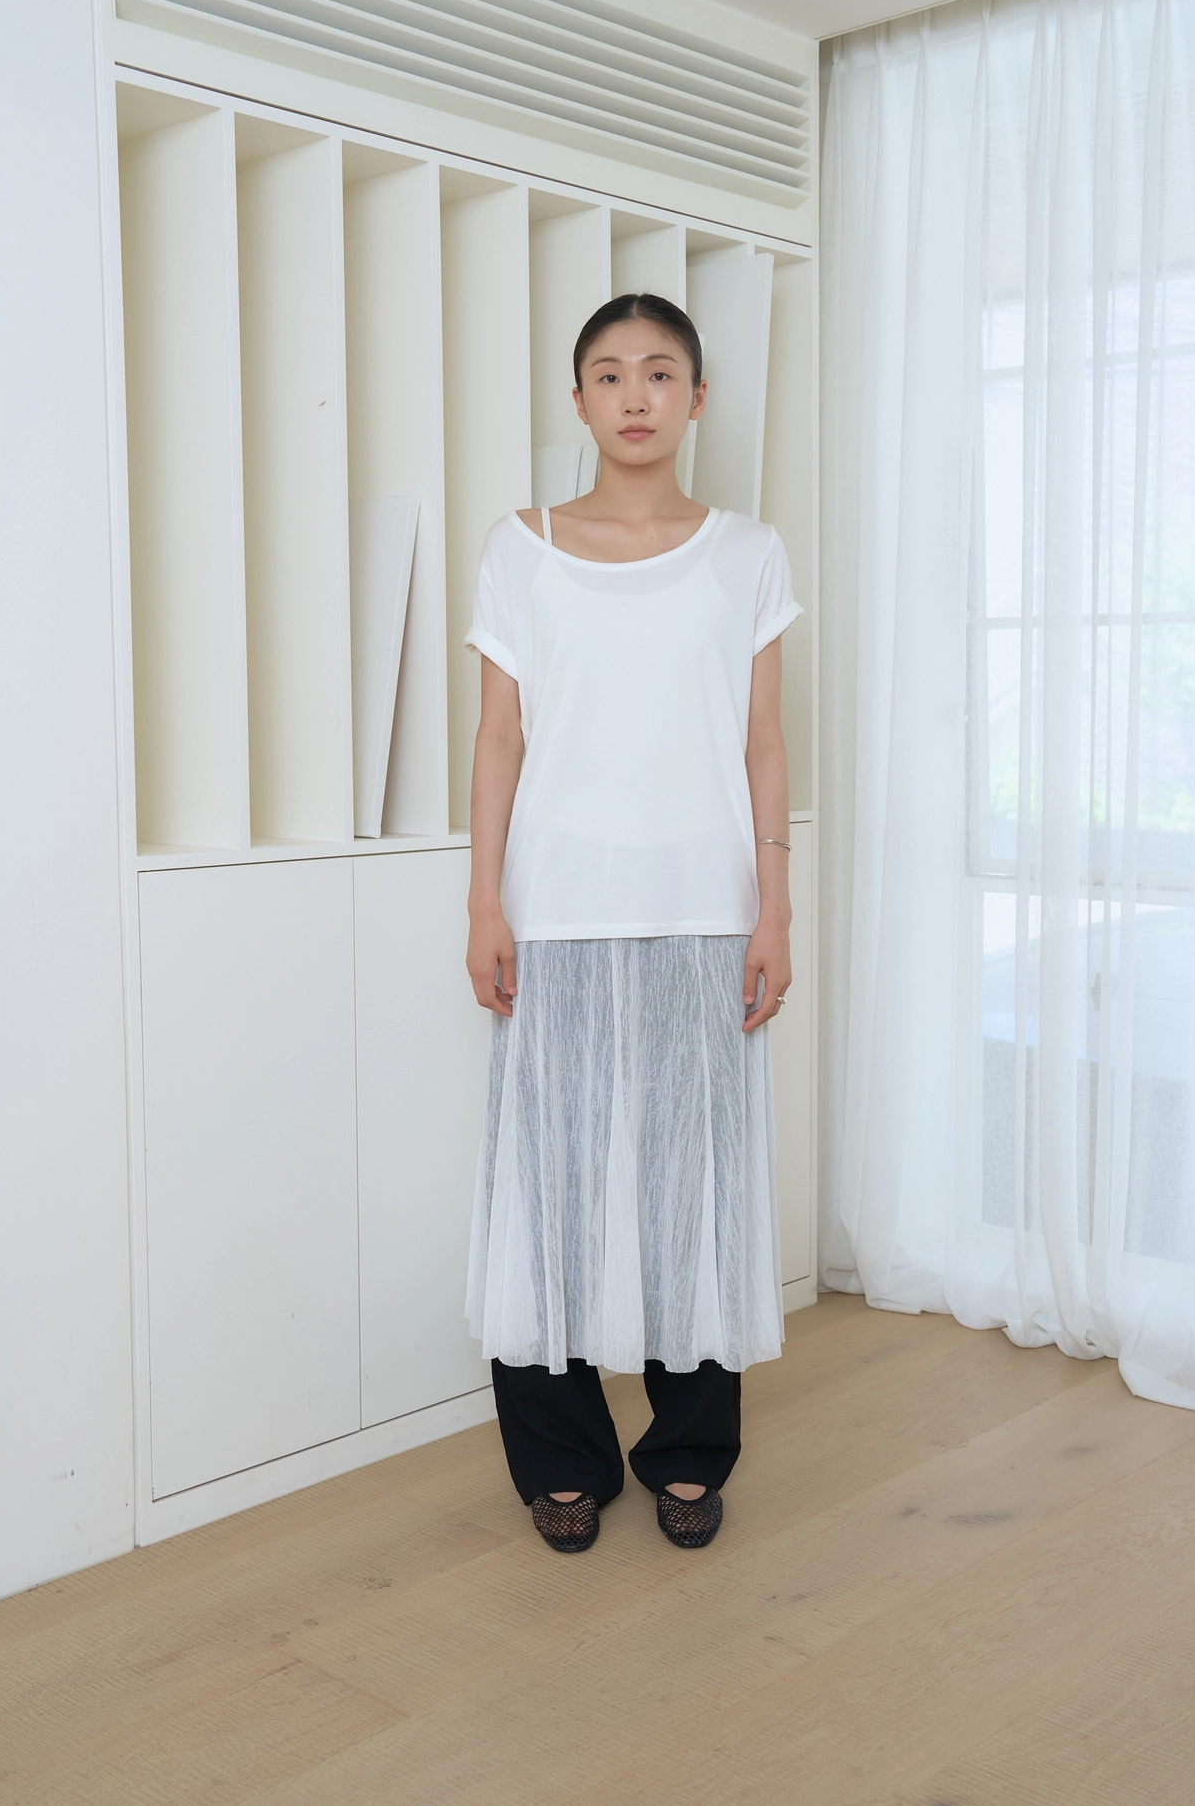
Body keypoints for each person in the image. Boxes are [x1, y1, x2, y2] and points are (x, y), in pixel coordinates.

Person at [462, 291, 802, 1554]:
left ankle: (688, 1453)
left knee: (689, 1190)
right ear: (578, 402)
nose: (635, 395)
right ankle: (559, 1460)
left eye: (660, 372)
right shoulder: (521, 548)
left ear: (696, 397)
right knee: (548, 1191)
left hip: (705, 907)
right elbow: (499, 738)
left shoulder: (747, 553)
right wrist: (482, 899)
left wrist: (774, 905)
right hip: (553, 907)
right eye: (608, 374)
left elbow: (762, 742)